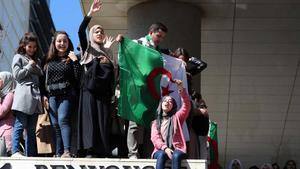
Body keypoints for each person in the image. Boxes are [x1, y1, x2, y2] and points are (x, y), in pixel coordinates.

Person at [77, 0, 116, 158]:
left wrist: (107, 55)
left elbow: (113, 74)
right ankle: (90, 150)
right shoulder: (87, 48)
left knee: (103, 120)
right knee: (90, 120)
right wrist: (90, 13)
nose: (99, 33)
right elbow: (80, 31)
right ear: (91, 35)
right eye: (96, 31)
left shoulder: (107, 53)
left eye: (101, 31)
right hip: (89, 91)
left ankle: (103, 150)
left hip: (104, 93)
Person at [125, 21, 168, 159]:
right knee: (135, 121)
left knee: (151, 122)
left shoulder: (158, 51)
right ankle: (133, 153)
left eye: (162, 37)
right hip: (137, 89)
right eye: (158, 35)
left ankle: (148, 153)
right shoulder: (138, 43)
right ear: (150, 32)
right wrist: (121, 41)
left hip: (151, 90)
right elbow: (127, 49)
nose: (160, 39)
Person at [45, 31, 80, 158]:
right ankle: (58, 152)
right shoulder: (48, 60)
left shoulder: (71, 59)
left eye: (65, 41)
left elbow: (77, 78)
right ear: (54, 43)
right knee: (55, 124)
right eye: (59, 41)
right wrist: (44, 96)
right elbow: (43, 79)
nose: (62, 43)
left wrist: (76, 62)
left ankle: (67, 151)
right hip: (52, 95)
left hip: (66, 95)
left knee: (63, 120)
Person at [11, 32, 44, 157]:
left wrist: (34, 65)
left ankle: (30, 155)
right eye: (29, 46)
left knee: (31, 130)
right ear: (24, 46)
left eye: (34, 47)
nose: (32, 49)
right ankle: (15, 151)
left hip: (35, 97)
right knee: (20, 124)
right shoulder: (18, 57)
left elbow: (40, 74)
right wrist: (30, 67)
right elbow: (17, 75)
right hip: (24, 95)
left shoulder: (37, 60)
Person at [151, 79, 190, 169]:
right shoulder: (155, 122)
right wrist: (165, 148)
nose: (167, 102)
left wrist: (181, 89)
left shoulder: (177, 117)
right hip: (160, 149)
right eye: (165, 100)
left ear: (173, 106)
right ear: (161, 104)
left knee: (176, 156)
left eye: (170, 101)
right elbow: (155, 138)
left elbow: (186, 105)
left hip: (177, 148)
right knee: (161, 155)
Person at [0, 72, 15, 156]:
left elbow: (2, 111)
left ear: (6, 81)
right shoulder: (2, 96)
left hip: (7, 131)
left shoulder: (9, 95)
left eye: (0, 79)